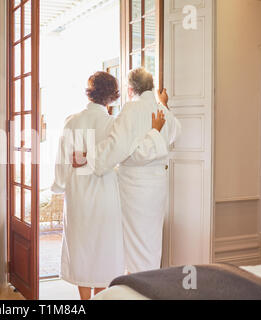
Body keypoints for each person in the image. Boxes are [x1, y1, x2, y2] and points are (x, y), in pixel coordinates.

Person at [52, 71, 167, 300]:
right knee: (104, 252)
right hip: (105, 195)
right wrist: (157, 125)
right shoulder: (114, 125)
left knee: (81, 248)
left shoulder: (71, 122)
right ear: (112, 96)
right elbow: (129, 152)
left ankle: (84, 300)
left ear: (90, 93)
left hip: (77, 196)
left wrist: (60, 184)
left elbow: (62, 166)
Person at [75, 68, 181, 274]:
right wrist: (164, 105)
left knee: (135, 242)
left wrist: (89, 157)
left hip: (135, 188)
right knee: (150, 239)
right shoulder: (163, 111)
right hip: (158, 186)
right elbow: (177, 130)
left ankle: (137, 288)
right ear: (151, 87)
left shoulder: (131, 110)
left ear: (131, 89)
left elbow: (117, 146)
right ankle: (148, 285)